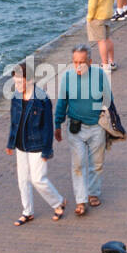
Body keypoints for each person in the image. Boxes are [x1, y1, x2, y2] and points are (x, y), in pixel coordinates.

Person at [54, 45, 110, 215]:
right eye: (75, 62)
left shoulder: (99, 75)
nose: (78, 66)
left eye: (82, 62)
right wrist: (57, 124)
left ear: (90, 62)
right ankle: (81, 200)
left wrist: (101, 114)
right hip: (75, 128)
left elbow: (108, 99)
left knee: (97, 164)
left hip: (97, 127)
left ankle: (93, 193)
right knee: (78, 165)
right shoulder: (67, 77)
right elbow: (62, 102)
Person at [6, 62, 64, 225]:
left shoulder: (42, 99)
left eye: (20, 82)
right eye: (15, 82)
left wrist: (47, 150)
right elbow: (14, 122)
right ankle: (27, 211)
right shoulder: (16, 97)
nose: (17, 85)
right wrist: (10, 143)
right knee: (23, 179)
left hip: (37, 144)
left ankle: (58, 202)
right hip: (20, 144)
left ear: (30, 80)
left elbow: (47, 127)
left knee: (38, 179)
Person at [85, 0, 115, 75]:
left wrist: (89, 17)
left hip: (98, 15)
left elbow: (92, 2)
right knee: (107, 38)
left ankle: (105, 65)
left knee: (101, 41)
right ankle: (112, 62)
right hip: (108, 12)